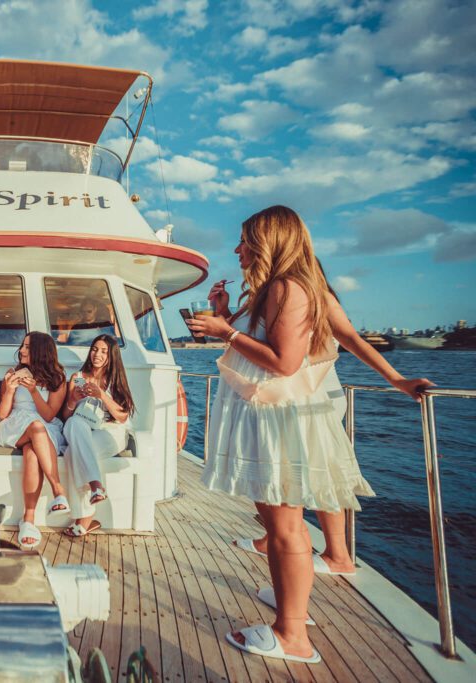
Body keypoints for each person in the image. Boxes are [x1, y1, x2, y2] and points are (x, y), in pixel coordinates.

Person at [187, 205, 374, 665]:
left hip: (278, 420)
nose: (237, 249)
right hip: (269, 418)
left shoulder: (288, 288)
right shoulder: (271, 290)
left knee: (287, 528)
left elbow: (284, 362)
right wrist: (226, 315)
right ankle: (291, 608)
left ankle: (291, 634)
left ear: (269, 240)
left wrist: (224, 331)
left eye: (244, 240)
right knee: (278, 527)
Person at [215, 271, 433, 575]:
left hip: (307, 397)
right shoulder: (266, 295)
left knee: (318, 472)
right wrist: (224, 314)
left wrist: (397, 380)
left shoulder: (304, 294)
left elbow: (349, 339)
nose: (240, 251)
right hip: (280, 396)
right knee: (288, 476)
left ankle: (330, 553)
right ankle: (282, 540)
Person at [0, 331, 68, 550]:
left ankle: (28, 520)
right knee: (35, 430)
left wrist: (34, 391)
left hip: (44, 426)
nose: (22, 350)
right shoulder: (13, 372)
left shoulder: (57, 378)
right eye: (23, 345)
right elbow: (2, 413)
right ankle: (58, 490)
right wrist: (8, 391)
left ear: (40, 351)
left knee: (32, 453)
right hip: (14, 425)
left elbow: (48, 415)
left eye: (28, 347)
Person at [60, 335, 134, 538]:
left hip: (110, 432)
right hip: (80, 428)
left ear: (111, 356)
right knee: (74, 422)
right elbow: (66, 416)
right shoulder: (78, 377)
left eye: (103, 351)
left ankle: (83, 519)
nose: (97, 354)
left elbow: (122, 416)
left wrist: (102, 395)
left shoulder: (114, 379)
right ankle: (96, 486)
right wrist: (73, 400)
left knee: (71, 454)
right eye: (95, 349)